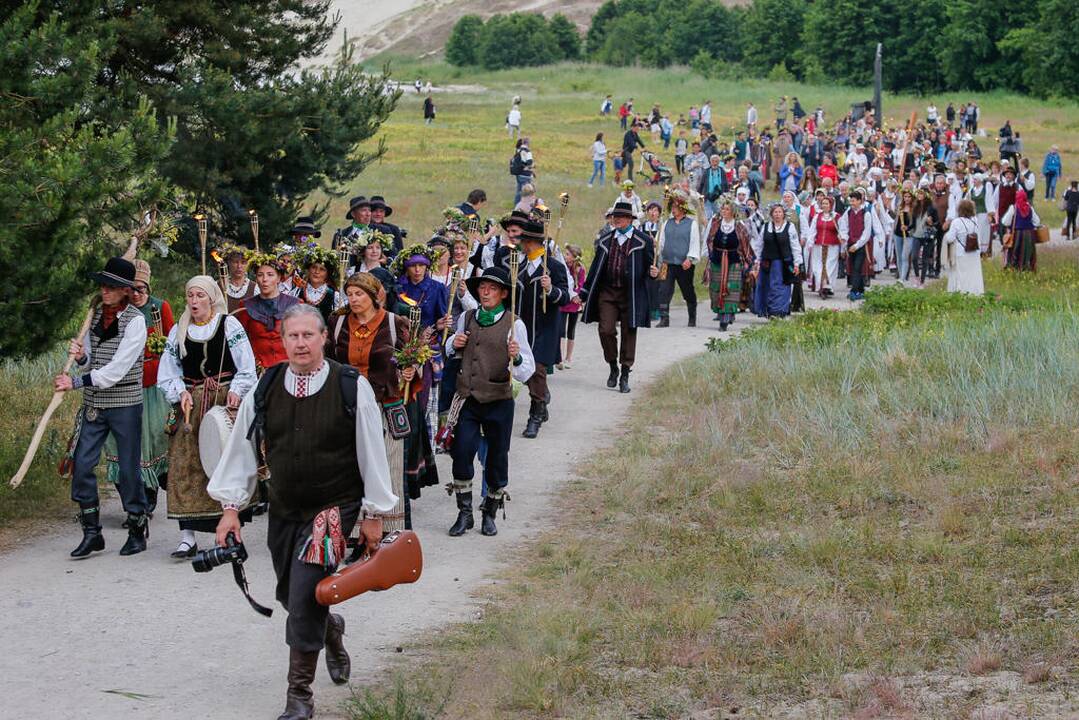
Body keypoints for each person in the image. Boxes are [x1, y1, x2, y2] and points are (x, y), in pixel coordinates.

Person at [208, 304, 397, 720]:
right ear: (283, 339)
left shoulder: (351, 385)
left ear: (324, 337)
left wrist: (374, 512)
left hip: (334, 507)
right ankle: (331, 629)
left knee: (307, 591)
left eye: (308, 335)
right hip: (285, 507)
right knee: (290, 594)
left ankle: (299, 698)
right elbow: (241, 447)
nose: (299, 343)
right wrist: (230, 508)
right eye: (292, 336)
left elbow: (372, 451)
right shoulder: (268, 384)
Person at [56, 257, 150, 558]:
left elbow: (116, 370)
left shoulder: (136, 322)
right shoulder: (95, 316)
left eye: (111, 287)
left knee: (128, 469)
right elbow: (94, 362)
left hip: (124, 403)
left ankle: (136, 527)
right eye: (103, 285)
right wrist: (82, 356)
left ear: (125, 290)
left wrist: (76, 381)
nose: (104, 291)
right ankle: (92, 532)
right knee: (82, 465)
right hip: (95, 405)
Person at [158, 276, 256, 558]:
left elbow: (246, 365)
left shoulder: (229, 325)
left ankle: (225, 531)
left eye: (200, 296)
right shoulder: (179, 329)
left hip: (222, 400)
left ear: (211, 298)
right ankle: (187, 536)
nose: (194, 301)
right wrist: (179, 392)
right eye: (190, 295)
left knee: (224, 462)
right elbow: (169, 370)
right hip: (190, 404)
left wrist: (237, 391)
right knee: (184, 465)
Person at [444, 267, 536, 537]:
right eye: (482, 287)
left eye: (492, 288)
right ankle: (464, 514)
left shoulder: (514, 324)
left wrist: (516, 357)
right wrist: (455, 342)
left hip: (498, 398)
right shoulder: (467, 317)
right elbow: (450, 349)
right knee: (461, 453)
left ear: (503, 294)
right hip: (468, 398)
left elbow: (526, 369)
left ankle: (490, 513)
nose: (485, 292)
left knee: (497, 458)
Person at [330, 272, 412, 534]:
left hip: (383, 405)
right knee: (351, 466)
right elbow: (328, 361)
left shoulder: (393, 323)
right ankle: (354, 533)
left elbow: (409, 360)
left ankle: (388, 531)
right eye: (349, 294)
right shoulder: (337, 322)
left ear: (374, 296)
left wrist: (411, 371)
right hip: (347, 405)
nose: (353, 299)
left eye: (359, 294)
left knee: (386, 466)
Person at [103, 260, 173, 516]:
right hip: (122, 385)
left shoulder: (159, 308)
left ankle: (149, 492)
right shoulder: (115, 311)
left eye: (141, 288)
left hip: (152, 384)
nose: (136, 294)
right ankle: (132, 497)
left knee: (152, 439)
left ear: (148, 287)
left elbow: (172, 344)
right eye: (131, 289)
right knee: (120, 443)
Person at [578, 201, 658, 393]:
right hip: (608, 292)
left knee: (629, 333)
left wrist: (653, 272)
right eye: (615, 217)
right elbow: (596, 268)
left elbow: (651, 266)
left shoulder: (643, 241)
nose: (617, 220)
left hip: (631, 293)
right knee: (605, 330)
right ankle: (613, 365)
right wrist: (584, 292)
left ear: (630, 219)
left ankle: (625, 373)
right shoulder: (605, 240)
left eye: (621, 217)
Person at [514, 219, 569, 439]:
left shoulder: (554, 267)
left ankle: (534, 415)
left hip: (545, 327)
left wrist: (551, 289)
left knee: (536, 368)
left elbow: (565, 296)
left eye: (525, 241)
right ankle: (542, 396)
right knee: (524, 371)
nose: (521, 245)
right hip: (522, 327)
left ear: (533, 242)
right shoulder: (518, 266)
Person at [236, 250, 300, 373]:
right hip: (257, 371)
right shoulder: (245, 307)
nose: (264, 279)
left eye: (270, 275)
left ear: (279, 278)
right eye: (260, 275)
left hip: (289, 370)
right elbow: (240, 343)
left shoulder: (296, 305)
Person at [704, 199, 752, 330]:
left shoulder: (739, 227)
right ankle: (722, 312)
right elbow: (709, 240)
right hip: (717, 261)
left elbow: (745, 244)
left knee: (731, 288)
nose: (724, 211)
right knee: (717, 287)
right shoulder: (715, 224)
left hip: (733, 262)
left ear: (733, 212)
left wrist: (747, 262)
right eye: (723, 209)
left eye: (727, 209)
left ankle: (726, 317)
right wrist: (711, 256)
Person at [656, 190, 701, 327]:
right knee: (663, 289)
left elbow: (694, 242)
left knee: (687, 290)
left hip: (684, 264)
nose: (673, 210)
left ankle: (692, 317)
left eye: (675, 207)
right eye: (672, 207)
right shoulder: (666, 223)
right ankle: (664, 318)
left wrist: (690, 258)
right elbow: (661, 242)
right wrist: (656, 247)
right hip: (666, 263)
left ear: (682, 209)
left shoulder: (691, 224)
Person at [751, 204, 801, 317]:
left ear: (783, 214)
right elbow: (759, 244)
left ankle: (779, 311)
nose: (777, 214)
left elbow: (795, 245)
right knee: (766, 286)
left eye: (779, 212)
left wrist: (797, 263)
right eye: (775, 212)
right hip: (767, 262)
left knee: (780, 287)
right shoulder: (766, 226)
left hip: (783, 263)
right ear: (771, 214)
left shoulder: (790, 226)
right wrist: (757, 261)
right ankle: (769, 310)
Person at [942, 199, 985, 295]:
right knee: (972, 275)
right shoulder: (975, 221)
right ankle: (974, 293)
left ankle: (960, 293)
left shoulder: (956, 222)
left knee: (960, 275)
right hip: (973, 253)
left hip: (961, 253)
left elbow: (950, 238)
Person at [804, 195, 841, 298]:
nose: (825, 205)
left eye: (827, 203)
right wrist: (810, 242)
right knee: (818, 266)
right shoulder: (817, 216)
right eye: (823, 203)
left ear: (831, 205)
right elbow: (812, 230)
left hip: (832, 246)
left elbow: (841, 231)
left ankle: (827, 287)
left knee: (830, 266)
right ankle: (822, 286)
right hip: (818, 246)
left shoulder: (836, 216)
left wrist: (843, 242)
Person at [295, 242, 341, 325]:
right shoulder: (297, 291)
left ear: (328, 274)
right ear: (308, 270)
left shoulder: (334, 296)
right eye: (314, 267)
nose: (317, 272)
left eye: (322, 269)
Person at [841, 189, 875, 301]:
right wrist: (844, 238)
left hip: (861, 245)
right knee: (852, 268)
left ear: (860, 201)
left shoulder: (866, 214)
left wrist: (857, 245)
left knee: (857, 268)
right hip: (850, 244)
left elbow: (867, 233)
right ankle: (861, 290)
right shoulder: (848, 212)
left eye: (854, 201)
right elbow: (844, 227)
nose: (851, 203)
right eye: (850, 201)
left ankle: (854, 291)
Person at [558, 244, 586, 370]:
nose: (565, 256)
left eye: (568, 254)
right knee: (561, 330)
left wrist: (577, 296)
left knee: (571, 330)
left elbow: (580, 285)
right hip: (565, 302)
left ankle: (568, 357)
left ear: (574, 257)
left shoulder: (580, 269)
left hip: (574, 303)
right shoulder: (562, 267)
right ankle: (559, 357)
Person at [1001, 188, 1040, 272]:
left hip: (1017, 234)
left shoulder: (1013, 207)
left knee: (1015, 251)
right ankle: (1027, 268)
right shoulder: (1030, 208)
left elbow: (1005, 222)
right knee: (1028, 252)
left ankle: (1015, 269)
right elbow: (1037, 222)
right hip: (1029, 234)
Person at [221, 244, 255, 313]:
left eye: (243, 262)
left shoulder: (255, 288)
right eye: (235, 262)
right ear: (228, 263)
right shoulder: (218, 286)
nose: (239, 266)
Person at [511, 139, 534, 205]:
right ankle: (524, 205)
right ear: (527, 143)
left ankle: (516, 204)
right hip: (525, 175)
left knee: (519, 190)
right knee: (526, 191)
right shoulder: (527, 151)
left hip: (518, 174)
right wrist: (533, 166)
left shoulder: (518, 150)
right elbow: (529, 163)